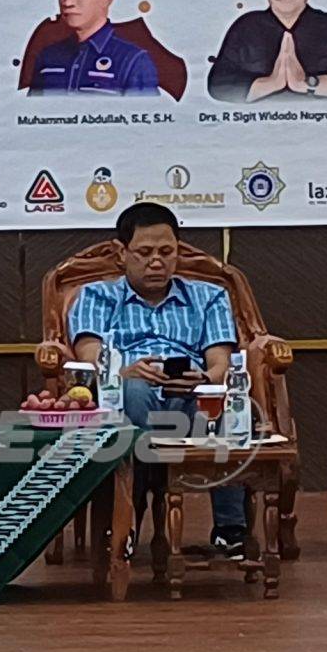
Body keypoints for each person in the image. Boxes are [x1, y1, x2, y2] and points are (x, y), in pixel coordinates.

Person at [63, 202, 250, 558]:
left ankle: (231, 529)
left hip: (189, 402)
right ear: (122, 253)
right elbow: (89, 357)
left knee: (224, 404)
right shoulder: (95, 296)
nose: (156, 262)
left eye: (167, 252)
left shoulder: (209, 297)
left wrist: (203, 379)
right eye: (145, 252)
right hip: (126, 399)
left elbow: (221, 363)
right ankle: (126, 522)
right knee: (133, 390)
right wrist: (123, 372)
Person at [27, 0, 159, 96]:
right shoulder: (47, 58)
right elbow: (31, 115)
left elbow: (145, 116)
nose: (68, 2)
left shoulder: (133, 61)